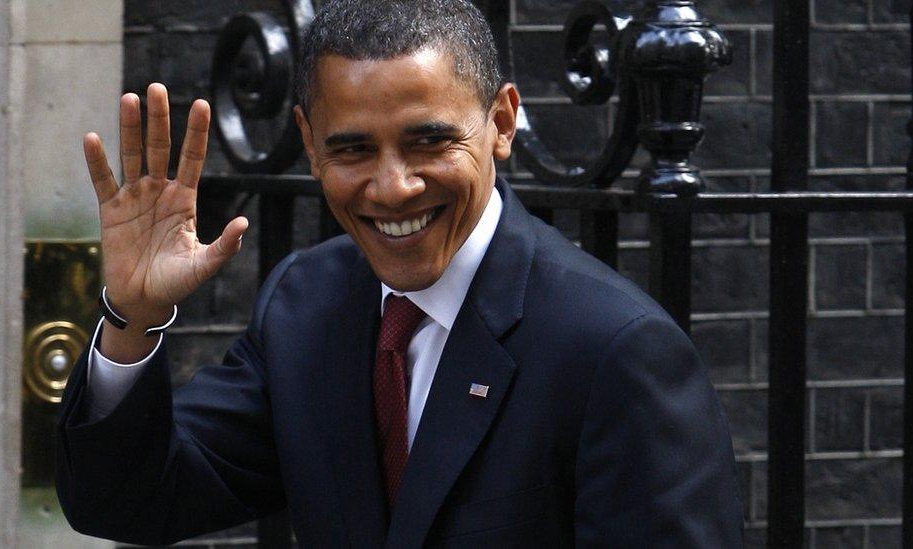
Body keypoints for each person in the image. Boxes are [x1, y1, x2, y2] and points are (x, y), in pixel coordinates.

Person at [56, 0, 744, 546]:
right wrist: (131, 318)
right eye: (353, 149)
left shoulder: (614, 352)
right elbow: (131, 501)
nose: (393, 187)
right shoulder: (306, 306)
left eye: (430, 140)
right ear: (308, 144)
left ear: (501, 122)